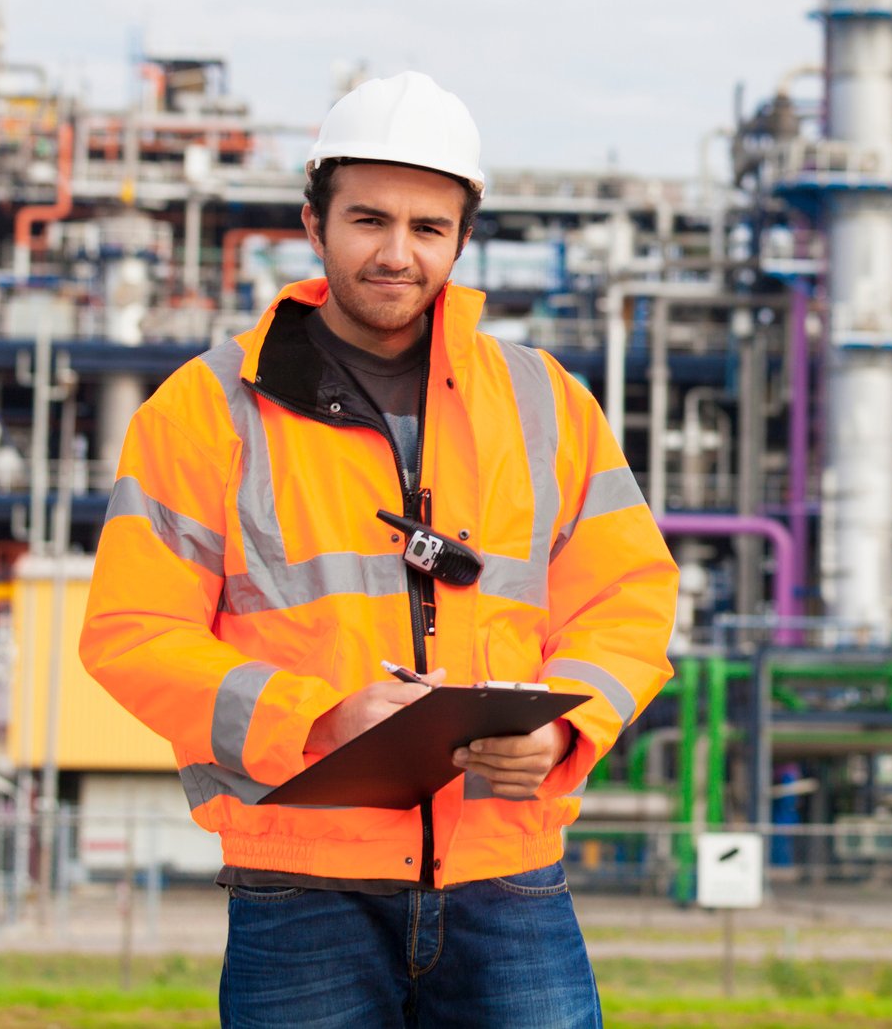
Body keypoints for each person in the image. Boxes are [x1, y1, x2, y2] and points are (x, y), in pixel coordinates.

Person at [81, 72, 677, 1027]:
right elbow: (131, 632)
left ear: (463, 238)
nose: (397, 254)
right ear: (313, 224)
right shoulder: (205, 410)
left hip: (508, 878)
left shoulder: (545, 400)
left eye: (428, 228)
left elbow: (630, 600)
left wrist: (565, 730)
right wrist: (317, 720)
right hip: (301, 884)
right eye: (368, 220)